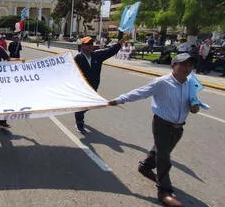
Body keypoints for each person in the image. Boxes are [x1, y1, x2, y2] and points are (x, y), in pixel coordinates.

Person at [109, 53, 200, 207]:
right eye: (183, 64)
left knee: (162, 150)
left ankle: (145, 167)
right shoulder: (162, 82)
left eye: (190, 65)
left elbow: (194, 103)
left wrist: (195, 107)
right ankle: (164, 191)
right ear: (173, 65)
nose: (187, 68)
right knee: (164, 157)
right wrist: (119, 99)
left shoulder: (191, 83)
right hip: (162, 124)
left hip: (178, 127)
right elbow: (140, 92)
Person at [74, 34, 129, 133]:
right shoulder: (77, 58)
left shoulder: (97, 55)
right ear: (82, 46)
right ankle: (79, 122)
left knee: (90, 104)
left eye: (91, 44)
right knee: (82, 106)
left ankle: (79, 113)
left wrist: (122, 40)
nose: (91, 45)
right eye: (88, 44)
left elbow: (112, 50)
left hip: (94, 87)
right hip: (82, 88)